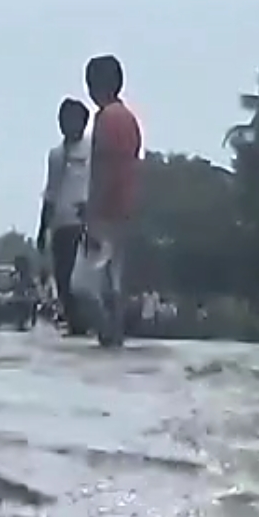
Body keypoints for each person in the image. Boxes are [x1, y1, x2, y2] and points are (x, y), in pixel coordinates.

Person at [81, 54, 143, 347]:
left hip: (106, 211)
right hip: (125, 209)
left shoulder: (105, 119)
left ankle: (109, 334)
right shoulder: (130, 119)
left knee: (83, 285)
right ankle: (115, 336)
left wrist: (92, 212)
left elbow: (105, 168)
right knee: (113, 278)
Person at [36, 98, 93, 335]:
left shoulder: (93, 148)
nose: (66, 125)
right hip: (61, 224)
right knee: (63, 278)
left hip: (85, 223)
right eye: (62, 120)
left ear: (83, 122)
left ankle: (87, 323)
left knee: (82, 281)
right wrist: (43, 229)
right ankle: (73, 324)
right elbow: (50, 193)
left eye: (71, 120)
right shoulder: (56, 155)